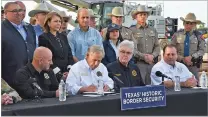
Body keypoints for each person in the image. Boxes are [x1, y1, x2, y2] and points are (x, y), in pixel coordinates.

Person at [2, 2, 36, 87]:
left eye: (20, 10)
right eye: (14, 11)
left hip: (30, 77)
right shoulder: (1, 30)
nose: (19, 13)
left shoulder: (29, 28)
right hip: (11, 78)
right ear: (5, 13)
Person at [39, 12, 74, 81]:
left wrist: (69, 69)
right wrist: (59, 73)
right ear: (48, 23)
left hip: (67, 73)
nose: (59, 23)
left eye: (60, 21)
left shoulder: (63, 36)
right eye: (55, 21)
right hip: (53, 75)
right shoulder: (43, 37)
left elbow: (69, 54)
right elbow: (46, 58)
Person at [130, 5, 160, 85]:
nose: (143, 16)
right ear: (136, 17)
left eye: (144, 14)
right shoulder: (131, 30)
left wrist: (152, 56)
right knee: (140, 86)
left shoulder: (153, 30)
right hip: (139, 64)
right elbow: (132, 49)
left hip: (152, 63)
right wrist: (144, 56)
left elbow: (157, 46)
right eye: (140, 15)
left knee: (153, 86)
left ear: (147, 16)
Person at [171, 13, 205, 80]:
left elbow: (202, 50)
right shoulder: (177, 35)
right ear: (184, 23)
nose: (188, 25)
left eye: (191, 24)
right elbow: (171, 50)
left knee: (194, 85)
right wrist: (182, 58)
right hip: (179, 65)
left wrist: (192, 57)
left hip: (193, 66)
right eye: (187, 23)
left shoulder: (199, 36)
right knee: (178, 84)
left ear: (195, 24)